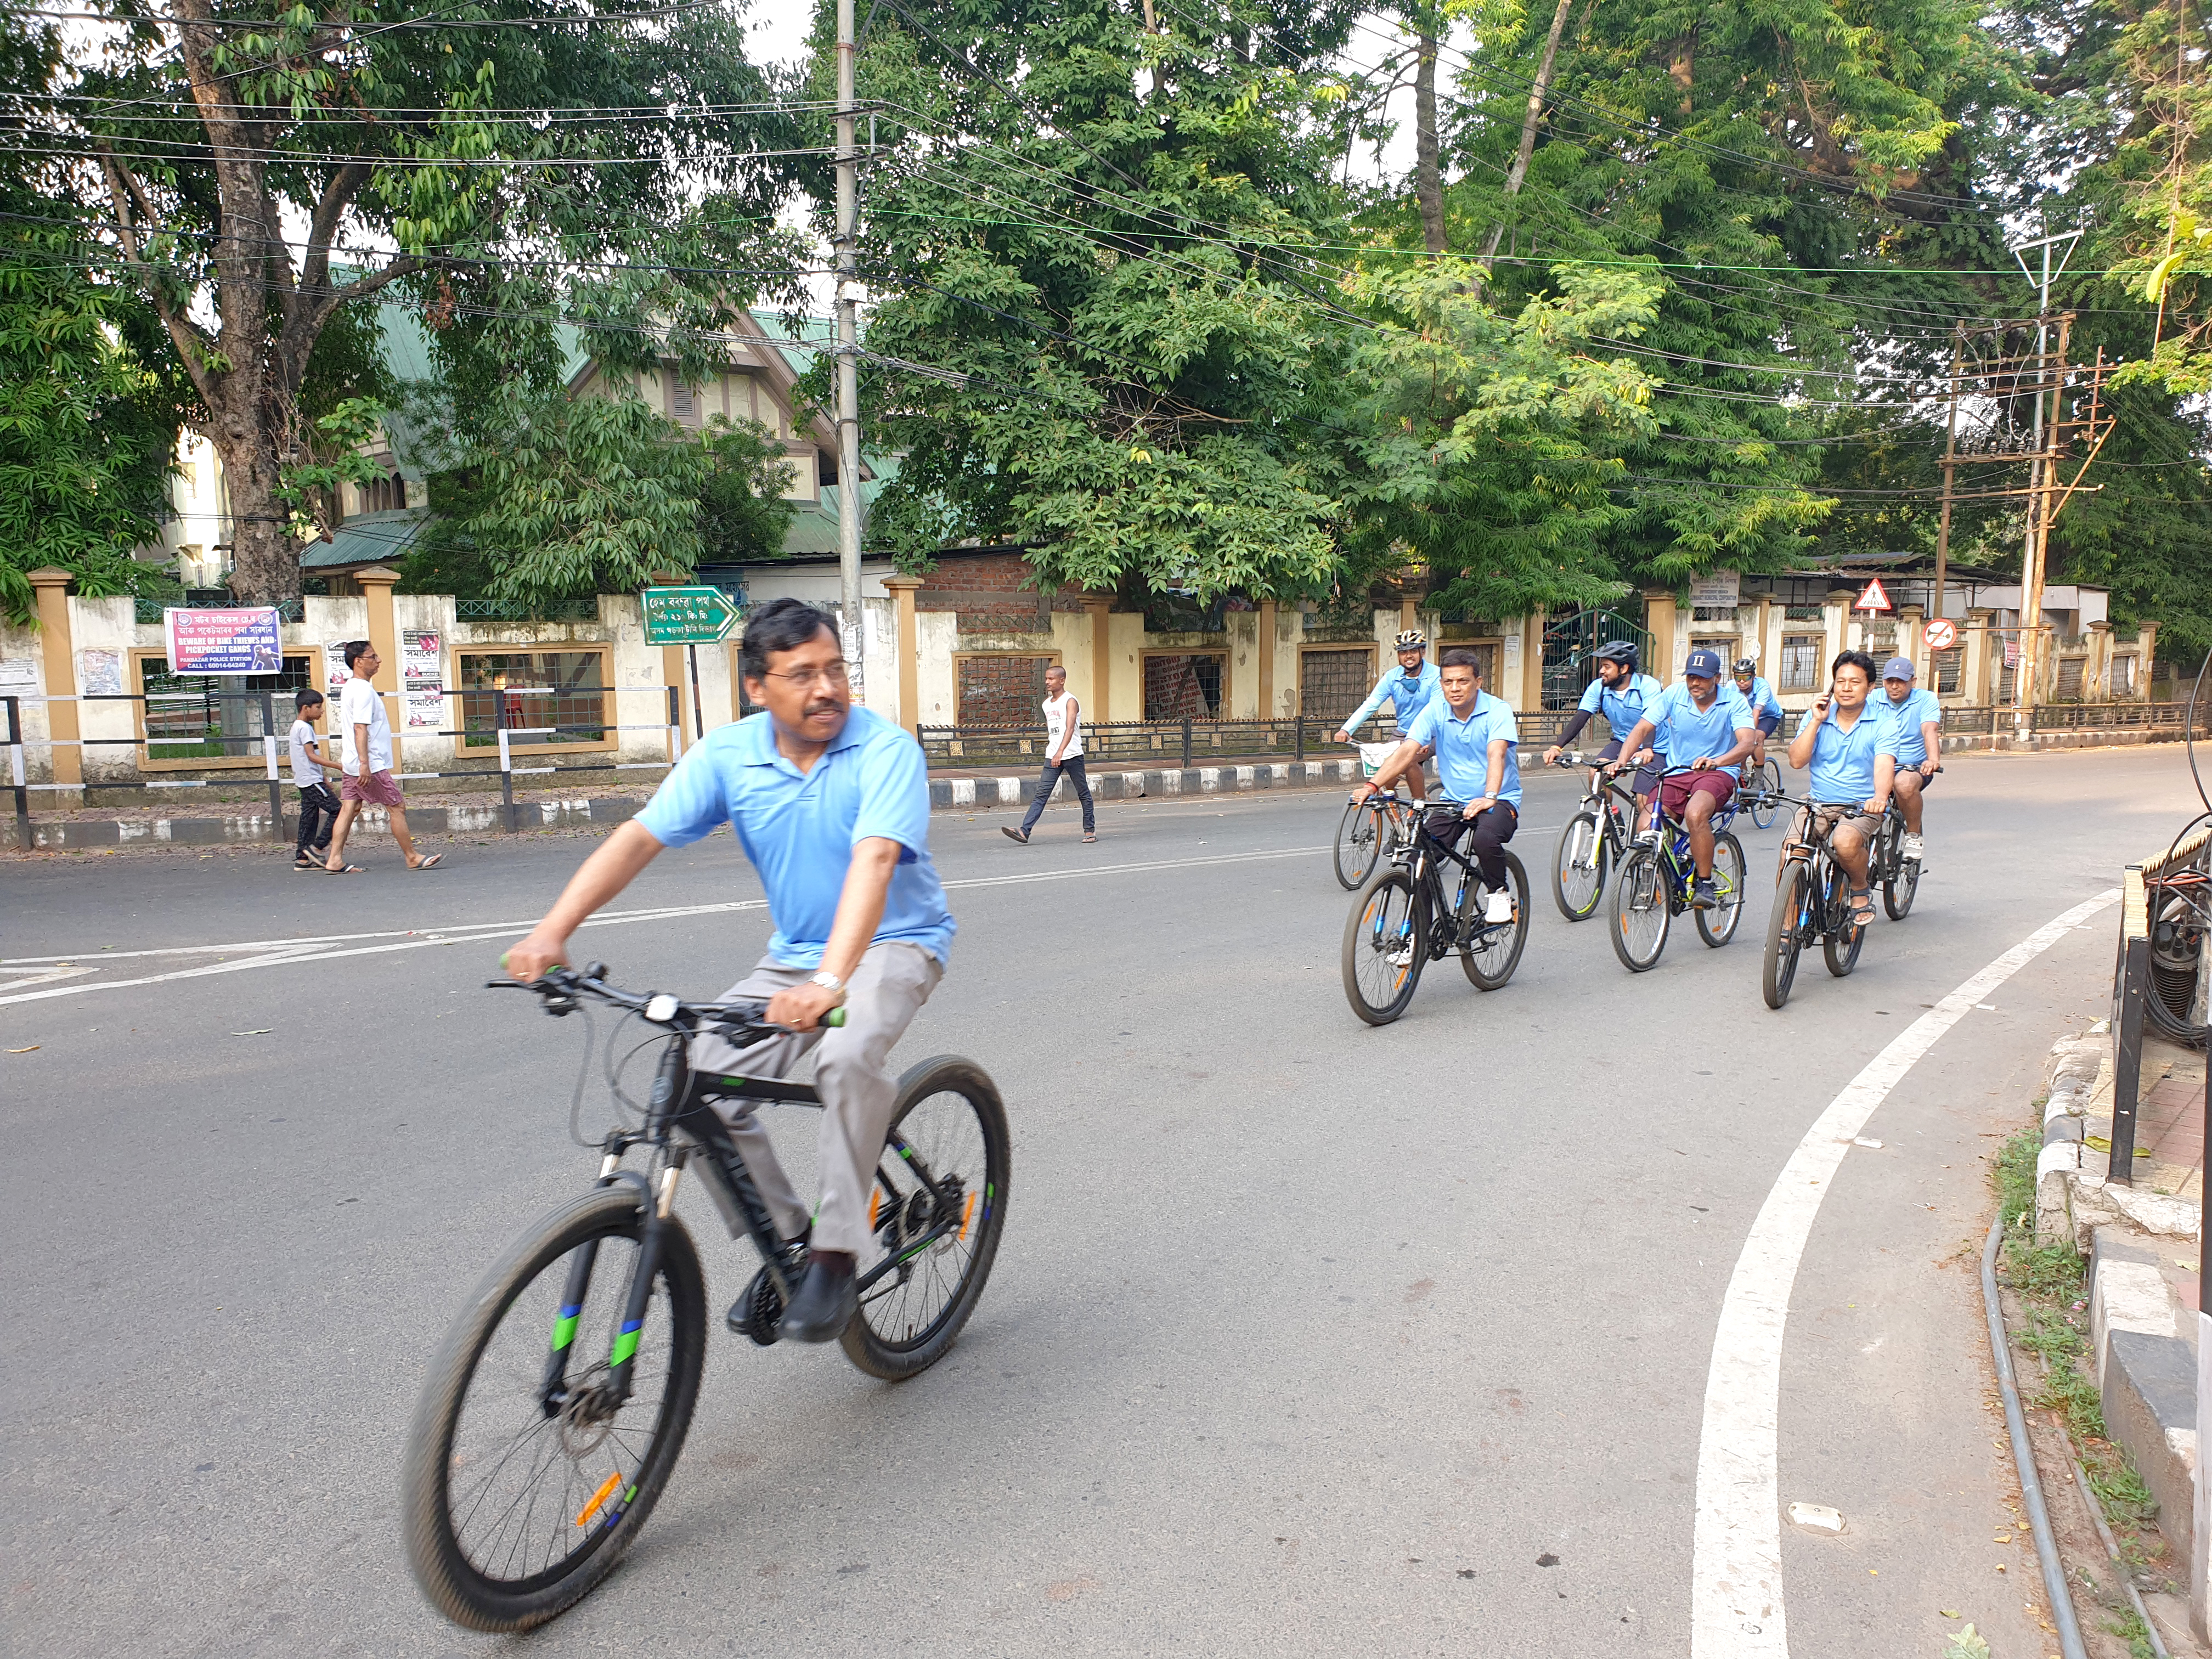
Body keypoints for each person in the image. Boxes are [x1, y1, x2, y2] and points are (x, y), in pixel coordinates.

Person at [501, 597, 956, 1345]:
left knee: (844, 1058)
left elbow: (874, 864)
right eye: (803, 674)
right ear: (757, 687)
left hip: (893, 944)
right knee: (693, 1087)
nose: (828, 689)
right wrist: (553, 931)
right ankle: (795, 1242)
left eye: (836, 669)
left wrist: (831, 985)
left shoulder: (886, 752)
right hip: (796, 959)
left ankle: (840, 1254)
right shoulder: (729, 757)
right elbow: (639, 838)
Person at [1357, 648, 1521, 922]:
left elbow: (1497, 754)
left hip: (1499, 799)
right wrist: (1372, 786)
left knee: (1485, 839)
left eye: (1463, 681)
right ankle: (1417, 936)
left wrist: (1489, 796)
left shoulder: (1498, 711)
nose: (1454, 689)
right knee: (1417, 861)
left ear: (1478, 683)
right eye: (1448, 682)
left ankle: (1499, 892)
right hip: (1453, 800)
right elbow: (1406, 751)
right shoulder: (1435, 710)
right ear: (1441, 683)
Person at [1612, 648, 1756, 910]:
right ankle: (1657, 870)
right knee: (1647, 823)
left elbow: (1747, 742)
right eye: (1691, 677)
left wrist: (1718, 761)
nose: (1694, 683)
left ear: (1717, 678)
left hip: (1718, 773)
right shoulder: (1675, 694)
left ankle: (1704, 883)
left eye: (1701, 678)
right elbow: (1643, 727)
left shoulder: (1734, 702)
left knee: (1695, 813)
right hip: (1678, 771)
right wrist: (1622, 761)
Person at [1784, 649, 1901, 930]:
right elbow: (1797, 760)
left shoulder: (1884, 723)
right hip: (1818, 802)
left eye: (1855, 682)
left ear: (1870, 687)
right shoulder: (1818, 717)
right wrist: (1815, 721)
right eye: (1840, 681)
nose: (1846, 688)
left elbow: (1884, 765)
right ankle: (1786, 929)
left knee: (1846, 843)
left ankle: (1860, 888)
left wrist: (1880, 799)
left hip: (1861, 805)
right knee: (1791, 852)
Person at [322, 640, 441, 873]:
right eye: (373, 657)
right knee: (396, 807)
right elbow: (360, 729)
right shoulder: (363, 690)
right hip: (369, 763)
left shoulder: (350, 687)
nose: (378, 661)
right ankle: (412, 856)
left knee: (350, 807)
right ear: (359, 662)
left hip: (353, 762)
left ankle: (335, 858)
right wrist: (365, 764)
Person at [1542, 640, 1665, 816]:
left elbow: (1649, 723)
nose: (1602, 671)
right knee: (1595, 773)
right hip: (1622, 741)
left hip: (1655, 746)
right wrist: (1556, 747)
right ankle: (1609, 818)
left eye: (1607, 667)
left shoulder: (1648, 686)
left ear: (1623, 669)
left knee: (1642, 800)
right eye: (1602, 666)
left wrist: (1647, 750)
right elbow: (1581, 717)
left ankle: (1647, 839)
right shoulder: (1598, 687)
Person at [1335, 630, 1441, 802]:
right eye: (1403, 652)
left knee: (1408, 760)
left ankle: (1419, 809)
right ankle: (1396, 817)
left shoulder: (1436, 676)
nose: (1409, 656)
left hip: (1432, 733)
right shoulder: (1392, 677)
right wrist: (1346, 729)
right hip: (1403, 732)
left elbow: (1435, 710)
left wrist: (1422, 740)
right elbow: (1371, 704)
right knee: (1386, 772)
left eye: (1413, 651)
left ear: (1423, 652)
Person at [1002, 663, 1095, 845]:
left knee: (1083, 793)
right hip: (1052, 755)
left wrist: (1061, 752)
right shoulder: (1046, 704)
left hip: (1072, 755)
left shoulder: (1070, 701)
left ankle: (1090, 831)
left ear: (1062, 680)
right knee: (1041, 795)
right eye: (1046, 678)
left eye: (1051, 679)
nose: (1047, 682)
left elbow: (1069, 729)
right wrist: (1055, 752)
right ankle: (1024, 831)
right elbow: (1055, 731)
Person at [1876, 656, 1942, 861]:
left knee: (1903, 784)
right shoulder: (1873, 699)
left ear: (1912, 682)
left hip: (1913, 766)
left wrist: (1932, 759)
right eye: (1890, 681)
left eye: (1901, 682)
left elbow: (1929, 730)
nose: (1895, 687)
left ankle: (1913, 836)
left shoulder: (1926, 699)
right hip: (1879, 763)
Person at [289, 689, 341, 871]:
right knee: (338, 810)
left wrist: (324, 777)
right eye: (318, 707)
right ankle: (317, 846)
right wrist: (339, 766)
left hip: (308, 779)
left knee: (309, 818)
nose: (321, 711)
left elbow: (308, 758)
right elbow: (312, 756)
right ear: (306, 708)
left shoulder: (298, 727)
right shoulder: (304, 728)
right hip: (311, 781)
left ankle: (302, 858)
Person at [1730, 657, 1787, 776]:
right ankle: (1743, 770)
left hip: (1768, 716)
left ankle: (1759, 778)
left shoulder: (1763, 686)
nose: (1741, 681)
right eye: (1737, 677)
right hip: (1746, 716)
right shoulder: (1731, 687)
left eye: (1746, 677)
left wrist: (1748, 738)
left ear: (1753, 677)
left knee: (1755, 738)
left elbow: (1756, 714)